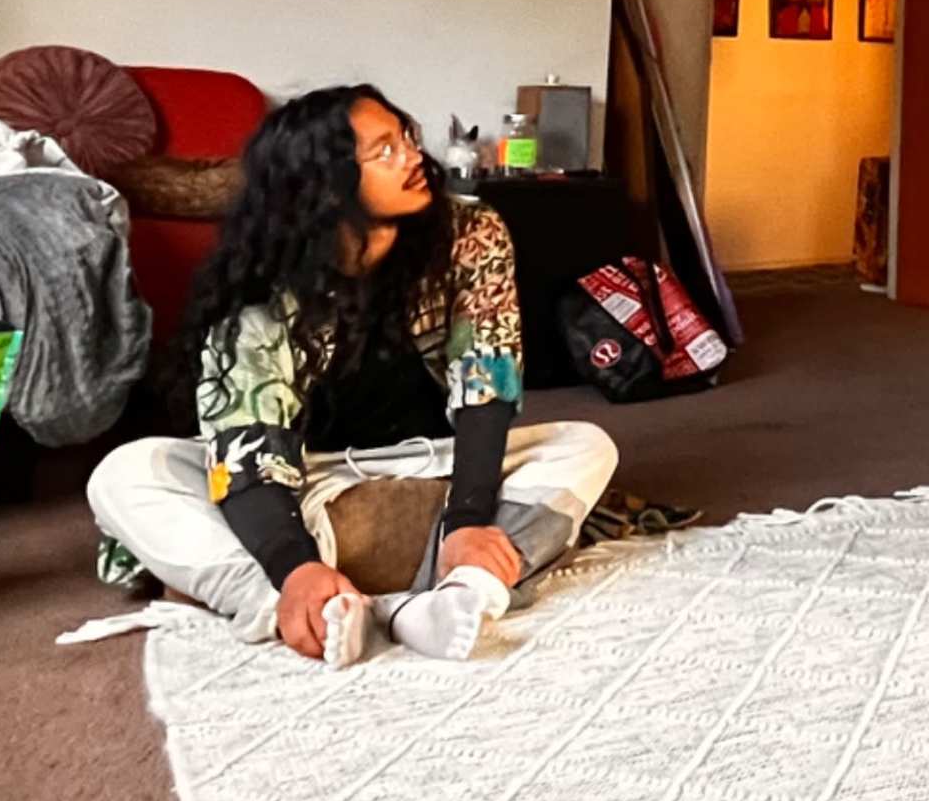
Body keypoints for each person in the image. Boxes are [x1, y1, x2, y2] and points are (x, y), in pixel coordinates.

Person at [88, 86, 617, 667]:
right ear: (325, 184)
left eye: (406, 137)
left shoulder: (470, 231)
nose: (413, 157)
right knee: (125, 475)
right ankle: (320, 599)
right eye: (384, 150)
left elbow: (486, 383)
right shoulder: (263, 282)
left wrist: (467, 519)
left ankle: (460, 582)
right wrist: (295, 565)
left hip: (430, 463)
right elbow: (247, 450)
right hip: (305, 478)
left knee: (585, 445)